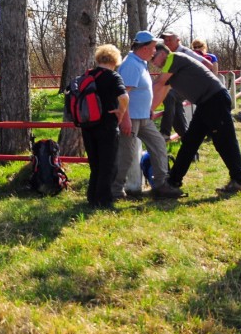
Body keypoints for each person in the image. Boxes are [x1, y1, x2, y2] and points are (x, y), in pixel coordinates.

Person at [152, 44, 241, 194]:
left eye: (154, 57)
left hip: (215, 100)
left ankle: (238, 179)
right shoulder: (169, 69)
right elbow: (162, 90)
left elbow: (158, 84)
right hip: (205, 103)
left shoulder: (173, 58)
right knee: (190, 141)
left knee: (224, 140)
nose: (152, 62)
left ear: (163, 53)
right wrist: (150, 109)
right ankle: (173, 182)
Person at [111, 31, 184, 200]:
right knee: (126, 155)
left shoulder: (140, 63)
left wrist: (148, 108)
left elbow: (142, 91)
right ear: (143, 48)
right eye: (152, 48)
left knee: (158, 145)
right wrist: (125, 119)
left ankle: (161, 185)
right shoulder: (131, 65)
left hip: (143, 117)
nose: (154, 52)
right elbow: (123, 95)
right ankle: (115, 190)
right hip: (132, 118)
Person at [78, 45, 129, 209]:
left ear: (99, 58)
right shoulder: (114, 77)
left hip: (88, 125)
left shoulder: (87, 75)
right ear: (115, 60)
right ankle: (103, 200)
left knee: (95, 163)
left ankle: (92, 197)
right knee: (108, 164)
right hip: (107, 125)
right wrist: (121, 112)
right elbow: (124, 96)